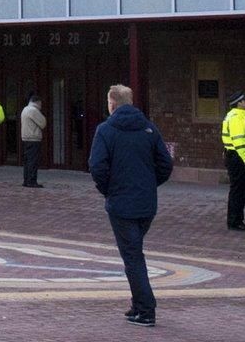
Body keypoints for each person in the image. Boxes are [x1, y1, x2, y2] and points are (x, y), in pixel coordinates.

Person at [89, 84, 171, 329]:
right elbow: (165, 164)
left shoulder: (105, 130)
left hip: (121, 203)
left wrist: (109, 189)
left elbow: (96, 166)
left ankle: (146, 309)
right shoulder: (149, 128)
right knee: (134, 251)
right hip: (146, 203)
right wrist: (149, 184)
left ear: (112, 103)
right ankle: (138, 305)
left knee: (133, 256)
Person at [219, 91, 245, 230]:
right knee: (238, 190)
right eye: (244, 101)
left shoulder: (235, 116)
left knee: (237, 189)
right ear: (238, 103)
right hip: (237, 156)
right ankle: (235, 221)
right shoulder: (236, 118)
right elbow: (239, 140)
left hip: (234, 155)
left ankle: (235, 220)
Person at [19, 92, 46, 188]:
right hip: (33, 138)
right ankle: (32, 181)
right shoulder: (33, 110)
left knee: (27, 161)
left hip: (25, 138)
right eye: (41, 103)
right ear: (37, 102)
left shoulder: (25, 109)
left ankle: (26, 180)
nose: (41, 105)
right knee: (33, 161)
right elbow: (43, 123)